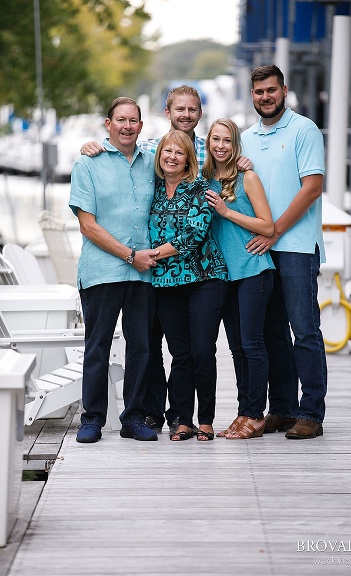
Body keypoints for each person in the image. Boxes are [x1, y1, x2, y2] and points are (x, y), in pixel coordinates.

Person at [80, 86, 250, 434]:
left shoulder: (200, 168)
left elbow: (196, 228)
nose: (172, 156)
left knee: (178, 349)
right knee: (131, 347)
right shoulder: (143, 158)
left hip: (185, 273)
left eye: (192, 109)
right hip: (147, 274)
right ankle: (128, 415)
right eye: (121, 121)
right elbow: (117, 154)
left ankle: (182, 418)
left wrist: (242, 161)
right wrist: (91, 145)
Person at [241, 64, 327, 439]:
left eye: (272, 90)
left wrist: (274, 231)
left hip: (296, 247)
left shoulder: (304, 130)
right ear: (252, 95)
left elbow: (312, 188)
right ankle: (283, 408)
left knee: (304, 330)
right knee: (272, 331)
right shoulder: (245, 138)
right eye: (259, 91)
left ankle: (311, 413)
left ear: (284, 90)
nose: (266, 97)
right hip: (260, 250)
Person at [69, 97, 158, 443]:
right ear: (108, 124)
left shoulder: (152, 162)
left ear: (141, 125)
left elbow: (186, 160)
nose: (127, 126)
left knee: (141, 347)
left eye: (133, 121)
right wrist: (130, 255)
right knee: (97, 346)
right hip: (102, 270)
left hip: (142, 273)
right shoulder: (87, 164)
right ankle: (92, 419)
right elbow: (87, 225)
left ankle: (133, 418)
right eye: (120, 120)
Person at [148, 130, 229, 441]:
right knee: (179, 353)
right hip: (166, 283)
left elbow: (192, 237)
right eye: (167, 151)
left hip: (204, 279)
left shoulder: (200, 188)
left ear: (188, 160)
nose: (172, 157)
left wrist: (151, 255)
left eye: (179, 153)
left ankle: (205, 419)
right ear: (159, 156)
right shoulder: (153, 189)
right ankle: (183, 419)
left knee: (202, 351)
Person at [203, 118, 275, 439]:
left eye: (227, 140)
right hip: (225, 276)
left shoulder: (248, 177)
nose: (221, 146)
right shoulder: (204, 180)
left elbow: (267, 226)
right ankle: (243, 412)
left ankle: (255, 415)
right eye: (215, 140)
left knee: (252, 344)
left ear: (235, 145)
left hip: (253, 269)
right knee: (236, 349)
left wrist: (227, 212)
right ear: (208, 143)